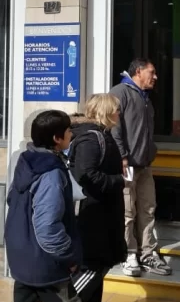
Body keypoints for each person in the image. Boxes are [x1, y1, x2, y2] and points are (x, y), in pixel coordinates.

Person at [5, 110, 81, 302]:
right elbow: (48, 227)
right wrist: (69, 256)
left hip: (22, 256)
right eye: (68, 130)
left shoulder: (26, 160)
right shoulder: (50, 173)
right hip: (46, 265)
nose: (71, 134)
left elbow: (12, 199)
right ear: (57, 138)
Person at [110, 58, 171, 277]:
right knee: (128, 212)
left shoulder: (145, 97)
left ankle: (148, 253)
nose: (155, 77)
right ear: (138, 71)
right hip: (127, 165)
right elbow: (114, 127)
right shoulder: (120, 92)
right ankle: (129, 254)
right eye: (151, 72)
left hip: (144, 165)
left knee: (148, 209)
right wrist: (122, 156)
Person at [68, 94, 128, 302]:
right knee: (90, 270)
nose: (119, 113)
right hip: (93, 215)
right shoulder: (91, 139)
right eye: (116, 109)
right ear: (106, 112)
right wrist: (119, 180)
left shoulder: (100, 135)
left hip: (103, 213)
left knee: (99, 267)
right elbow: (86, 174)